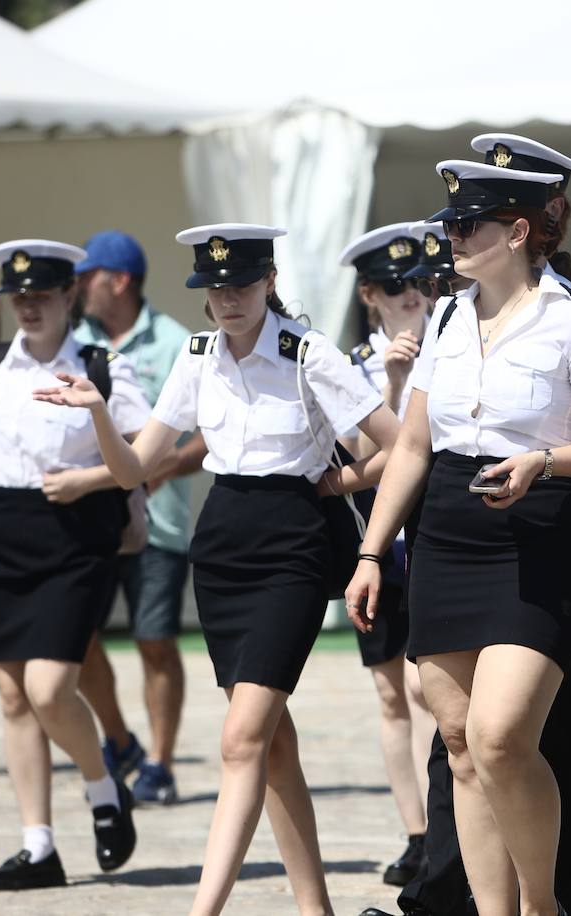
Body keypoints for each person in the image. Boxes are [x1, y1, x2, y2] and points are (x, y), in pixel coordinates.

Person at [34, 223, 399, 916]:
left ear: (268, 282)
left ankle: (203, 910)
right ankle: (314, 908)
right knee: (272, 744)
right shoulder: (199, 355)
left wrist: (341, 486)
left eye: (241, 284)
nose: (227, 299)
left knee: (239, 742)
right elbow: (137, 468)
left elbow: (404, 444)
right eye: (214, 287)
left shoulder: (306, 353)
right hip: (223, 547)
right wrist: (101, 415)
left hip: (293, 546)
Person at [345, 160, 571, 916]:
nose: (451, 237)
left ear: (516, 231)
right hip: (446, 527)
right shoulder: (442, 318)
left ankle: (542, 906)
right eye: (448, 224)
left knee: (502, 735)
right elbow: (411, 448)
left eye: (466, 225)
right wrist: (373, 552)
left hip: (542, 530)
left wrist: (545, 461)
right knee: (461, 744)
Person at [0, 240, 145, 891]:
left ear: (70, 295)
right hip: (3, 532)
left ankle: (104, 790)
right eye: (20, 298)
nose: (30, 307)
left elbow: (146, 454)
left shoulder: (101, 365)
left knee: (48, 689)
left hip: (75, 534)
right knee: (14, 698)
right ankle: (38, 846)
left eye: (42, 295)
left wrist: (87, 481)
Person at [72, 229, 208, 804]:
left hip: (160, 520)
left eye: (87, 278)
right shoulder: (70, 342)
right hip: (86, 519)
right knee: (75, 637)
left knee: (155, 641)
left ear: (118, 281)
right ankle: (120, 739)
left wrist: (169, 465)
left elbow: (213, 426)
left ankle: (160, 761)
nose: (78, 289)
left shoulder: (177, 341)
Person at [338, 222, 435, 886]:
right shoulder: (348, 367)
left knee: (432, 690)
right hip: (379, 547)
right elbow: (360, 464)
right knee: (391, 693)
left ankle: (450, 826)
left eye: (423, 283)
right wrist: (393, 387)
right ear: (370, 294)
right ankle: (418, 833)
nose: (413, 299)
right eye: (396, 288)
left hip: (440, 542)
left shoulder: (460, 343)